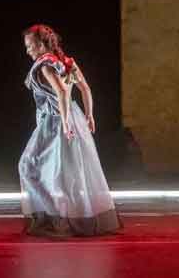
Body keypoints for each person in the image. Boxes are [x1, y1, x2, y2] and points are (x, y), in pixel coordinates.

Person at [18, 24, 120, 236]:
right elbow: (84, 88)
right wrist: (89, 115)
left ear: (40, 45)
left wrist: (64, 122)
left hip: (56, 121)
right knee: (65, 171)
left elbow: (63, 92)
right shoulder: (66, 62)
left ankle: (55, 217)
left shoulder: (44, 65)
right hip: (74, 118)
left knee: (28, 166)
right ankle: (59, 214)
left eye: (30, 46)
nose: (27, 51)